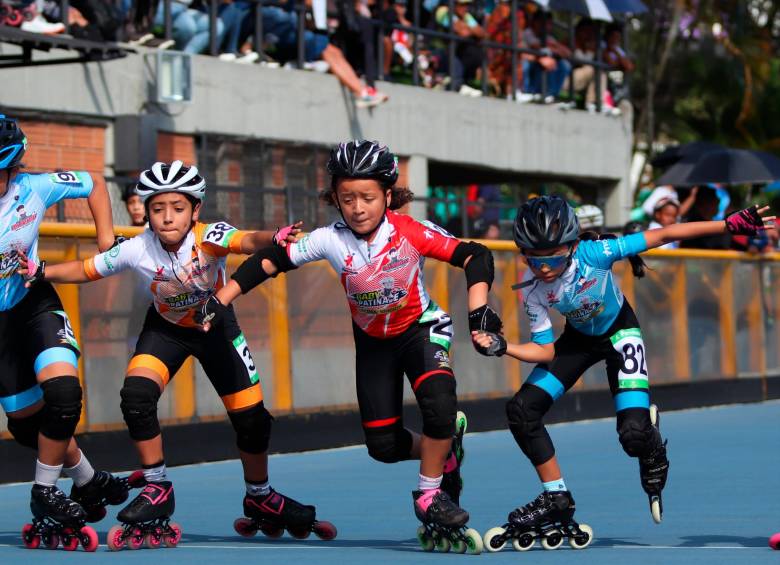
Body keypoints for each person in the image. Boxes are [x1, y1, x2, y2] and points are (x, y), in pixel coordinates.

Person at [199, 140, 499, 553]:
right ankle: (445, 449)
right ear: (335, 200)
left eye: (368, 198)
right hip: (374, 344)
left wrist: (479, 311)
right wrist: (223, 297)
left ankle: (430, 495)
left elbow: (475, 255)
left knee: (438, 400)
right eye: (347, 198)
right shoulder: (328, 240)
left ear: (389, 196)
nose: (358, 207)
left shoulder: (409, 231)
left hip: (421, 329)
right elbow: (269, 261)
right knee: (384, 447)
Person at [19, 160, 336, 547]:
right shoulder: (137, 248)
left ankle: (260, 496)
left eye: (178, 208)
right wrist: (42, 272)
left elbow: (247, 240)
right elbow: (88, 269)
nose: (167, 218)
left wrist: (276, 235)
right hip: (166, 332)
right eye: (157, 209)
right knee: (136, 396)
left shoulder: (209, 235)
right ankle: (157, 487)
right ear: (147, 212)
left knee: (253, 421)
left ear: (195, 210)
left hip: (216, 330)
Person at [473, 195, 774, 548]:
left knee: (632, 435)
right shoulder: (533, 287)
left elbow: (665, 233)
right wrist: (504, 346)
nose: (542, 268)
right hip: (577, 341)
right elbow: (546, 350)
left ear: (571, 246)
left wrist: (727, 225)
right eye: (532, 258)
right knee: (522, 411)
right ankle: (557, 497)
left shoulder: (595, 253)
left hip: (620, 333)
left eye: (552, 257)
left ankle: (652, 447)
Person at [0, 115, 133, 550]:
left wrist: (106, 237)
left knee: (62, 395)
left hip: (34, 303)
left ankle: (44, 492)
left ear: (12, 170)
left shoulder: (34, 189)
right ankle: (88, 479)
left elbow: (93, 182)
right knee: (26, 428)